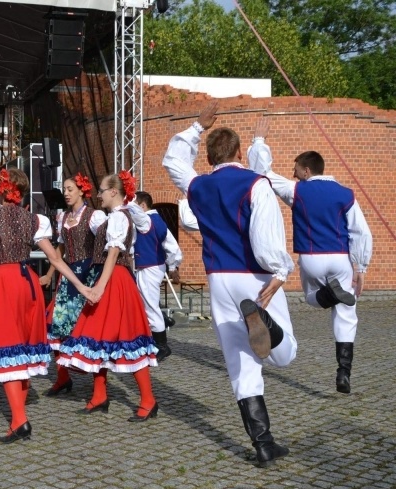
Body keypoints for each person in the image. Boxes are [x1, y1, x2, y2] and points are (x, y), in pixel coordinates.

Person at [162, 102, 298, 467]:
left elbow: (173, 161)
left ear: (208, 158)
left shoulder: (198, 186)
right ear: (240, 153)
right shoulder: (257, 184)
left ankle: (263, 443)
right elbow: (266, 240)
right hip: (254, 275)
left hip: (218, 281)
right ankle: (265, 323)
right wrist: (281, 271)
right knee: (285, 354)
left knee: (241, 362)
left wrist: (196, 126)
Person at [0, 168, 91, 443]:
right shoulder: (35, 219)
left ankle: (21, 420)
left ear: (3, 190)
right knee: (21, 349)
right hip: (27, 283)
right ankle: (17, 418)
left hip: (3, 282)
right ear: (21, 192)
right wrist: (81, 286)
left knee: (5, 348)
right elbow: (56, 260)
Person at [247, 132, 372, 394]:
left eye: (295, 171)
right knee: (346, 314)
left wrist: (259, 141)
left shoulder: (297, 191)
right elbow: (360, 231)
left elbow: (264, 174)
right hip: (341, 259)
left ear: (306, 171)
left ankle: (327, 293)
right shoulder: (345, 194)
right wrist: (360, 267)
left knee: (312, 298)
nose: (293, 176)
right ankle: (343, 372)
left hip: (311, 257)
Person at [57, 171, 160, 421]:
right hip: (107, 278)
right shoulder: (113, 217)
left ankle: (148, 399)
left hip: (114, 281)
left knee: (125, 337)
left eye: (102, 190)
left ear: (114, 191)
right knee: (97, 338)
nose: (99, 194)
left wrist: (100, 286)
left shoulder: (119, 218)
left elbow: (113, 252)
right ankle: (100, 394)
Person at [38, 173, 106, 396]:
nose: (65, 193)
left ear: (81, 190)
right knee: (57, 326)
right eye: (65, 190)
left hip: (88, 274)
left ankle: (99, 390)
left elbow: (106, 245)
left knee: (89, 330)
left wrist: (100, 276)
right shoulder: (63, 218)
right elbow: (60, 252)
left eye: (69, 189)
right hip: (67, 276)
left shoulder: (95, 216)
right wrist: (49, 274)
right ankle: (63, 378)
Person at [133, 191, 182, 362]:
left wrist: (174, 265)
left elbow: (171, 245)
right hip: (149, 265)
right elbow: (170, 244)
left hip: (150, 266)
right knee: (143, 301)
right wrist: (173, 265)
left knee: (149, 304)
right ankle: (162, 320)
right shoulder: (155, 220)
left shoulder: (149, 220)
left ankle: (162, 345)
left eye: (135, 204)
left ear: (142, 206)